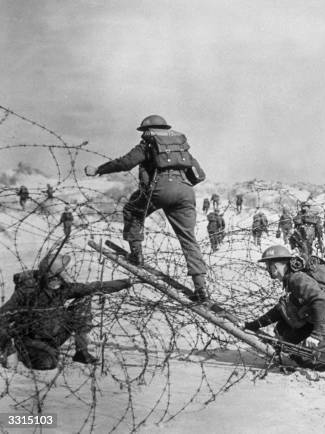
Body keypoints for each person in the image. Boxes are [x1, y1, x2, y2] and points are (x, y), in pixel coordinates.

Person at [84, 115, 209, 302]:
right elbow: (200, 176)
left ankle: (136, 254)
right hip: (186, 191)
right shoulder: (180, 145)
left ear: (146, 131)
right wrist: (179, 185)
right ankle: (201, 289)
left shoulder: (148, 143)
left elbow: (126, 163)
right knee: (188, 239)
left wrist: (99, 169)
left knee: (132, 210)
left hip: (160, 189)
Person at [0, 253, 132, 370]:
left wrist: (126, 283)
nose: (65, 274)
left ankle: (81, 351)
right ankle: (19, 352)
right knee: (47, 364)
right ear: (53, 276)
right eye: (62, 272)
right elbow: (2, 318)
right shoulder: (27, 292)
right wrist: (9, 350)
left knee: (84, 298)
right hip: (31, 340)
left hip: (56, 335)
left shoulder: (63, 288)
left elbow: (92, 287)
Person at [244, 246, 325, 349]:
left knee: (304, 359)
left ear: (275, 267)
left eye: (268, 266)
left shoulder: (297, 279)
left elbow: (321, 301)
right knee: (284, 337)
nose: (267, 269)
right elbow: (280, 311)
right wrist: (253, 325)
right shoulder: (291, 280)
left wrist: (316, 335)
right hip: (323, 324)